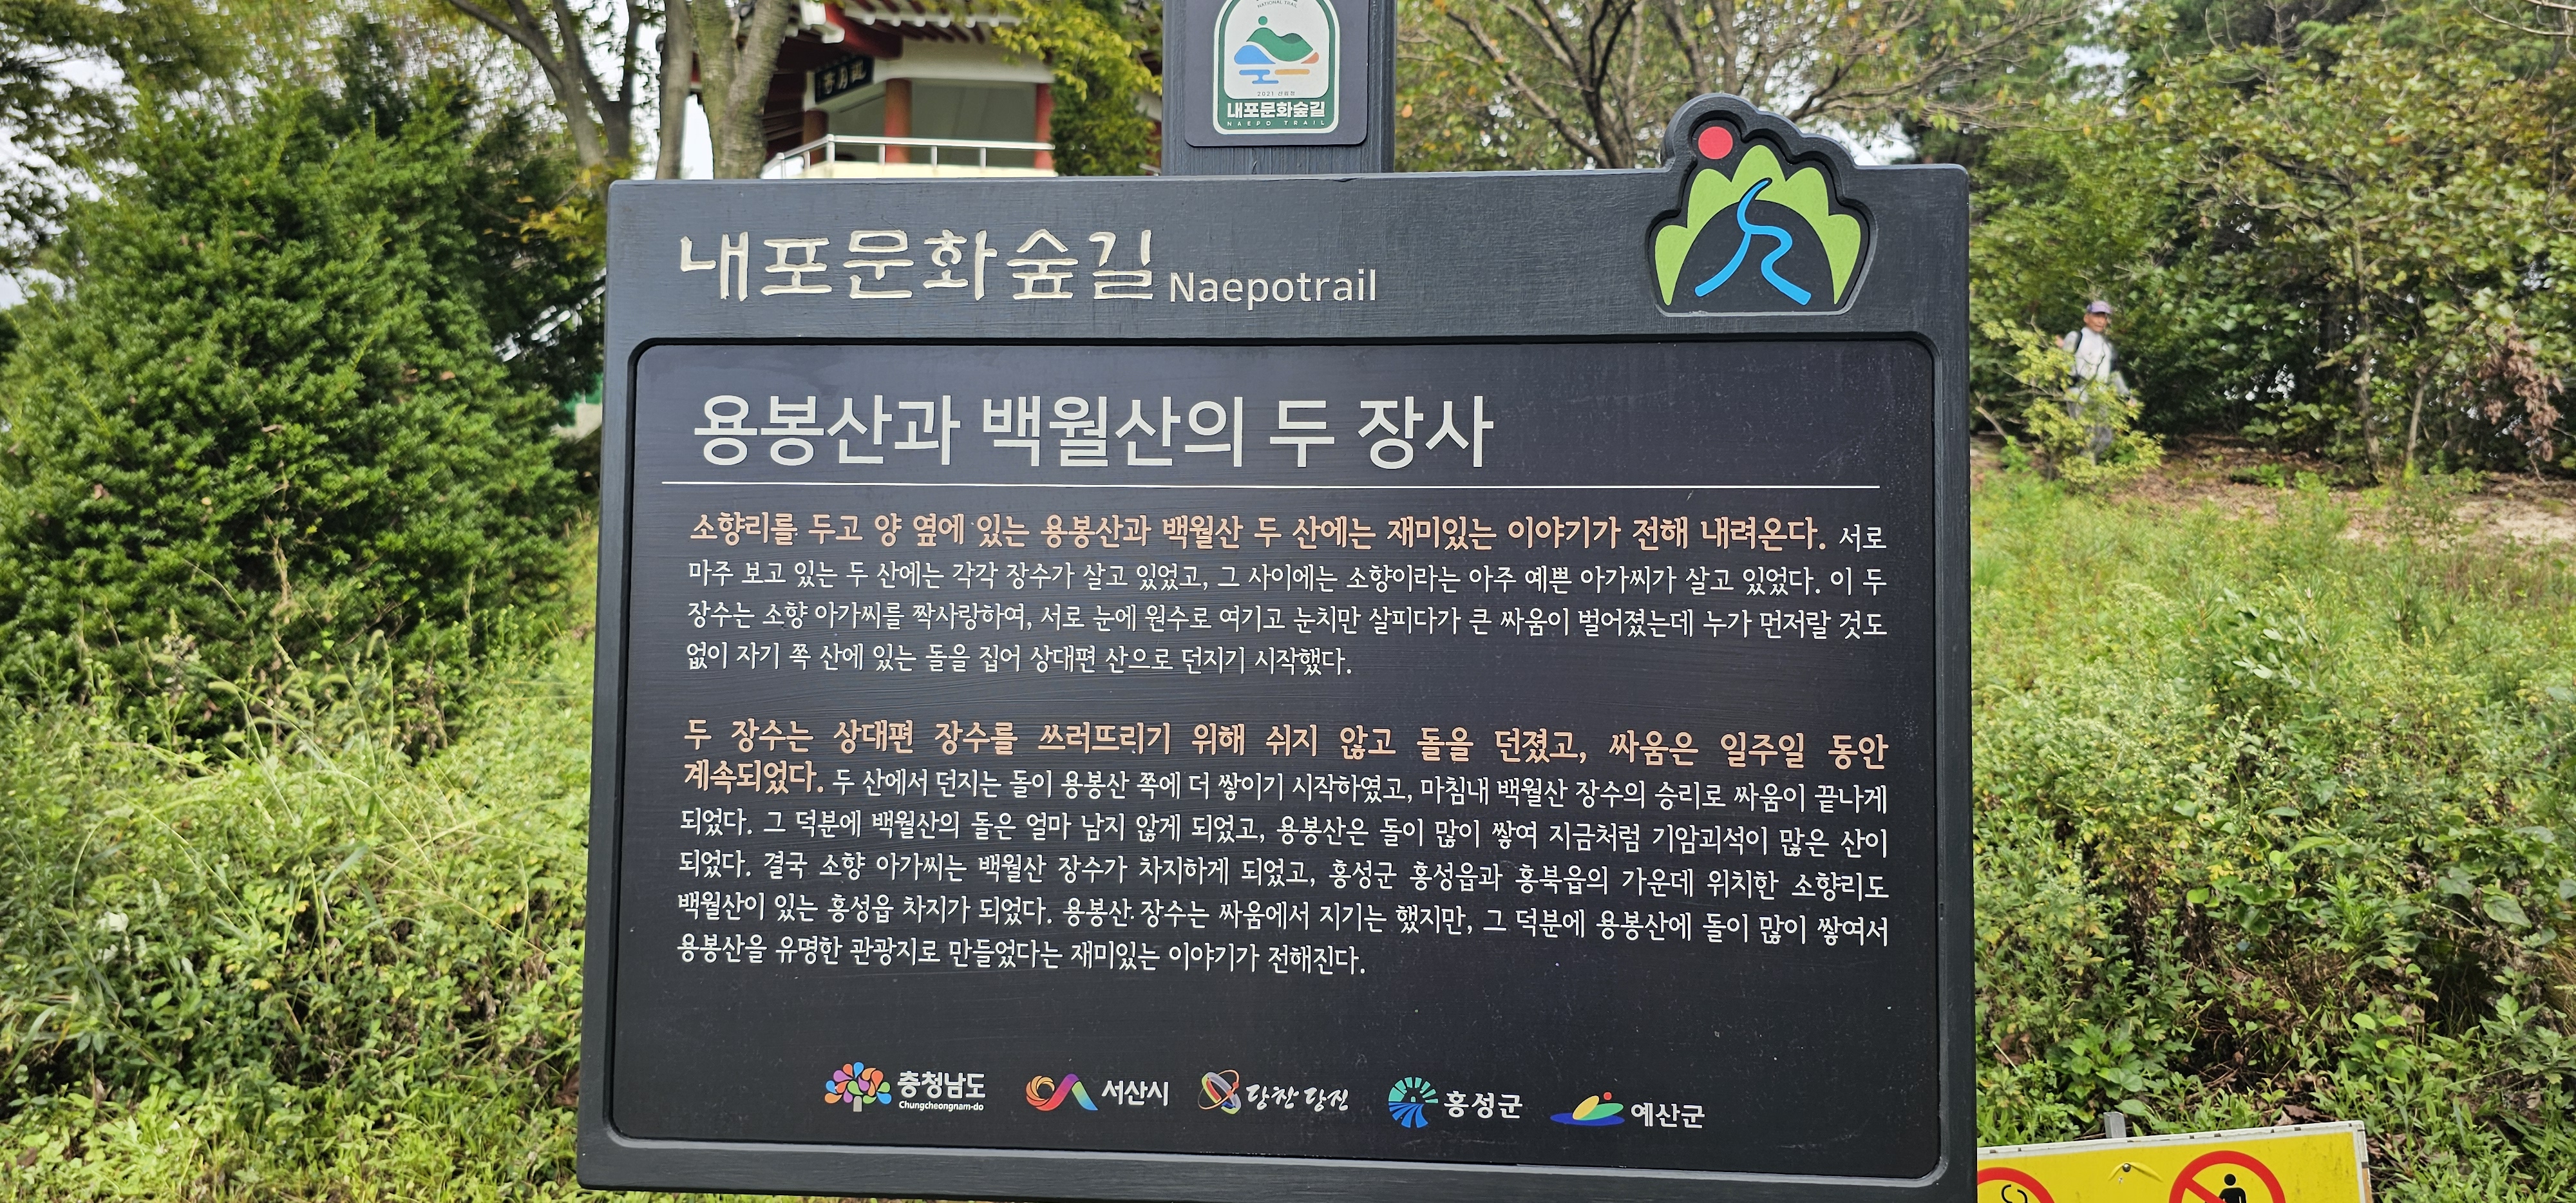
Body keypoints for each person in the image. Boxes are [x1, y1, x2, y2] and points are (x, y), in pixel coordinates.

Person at [2060, 299, 2130, 456]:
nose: (2101, 321)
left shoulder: (2107, 345)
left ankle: (2087, 464)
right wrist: (2068, 382)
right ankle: (2082, 468)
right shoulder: (2076, 337)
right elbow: (2063, 363)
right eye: (2097, 316)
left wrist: (2127, 395)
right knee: (2084, 438)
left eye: (2104, 317)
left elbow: (2113, 373)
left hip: (2100, 397)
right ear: (2087, 317)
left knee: (2105, 437)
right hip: (2079, 395)